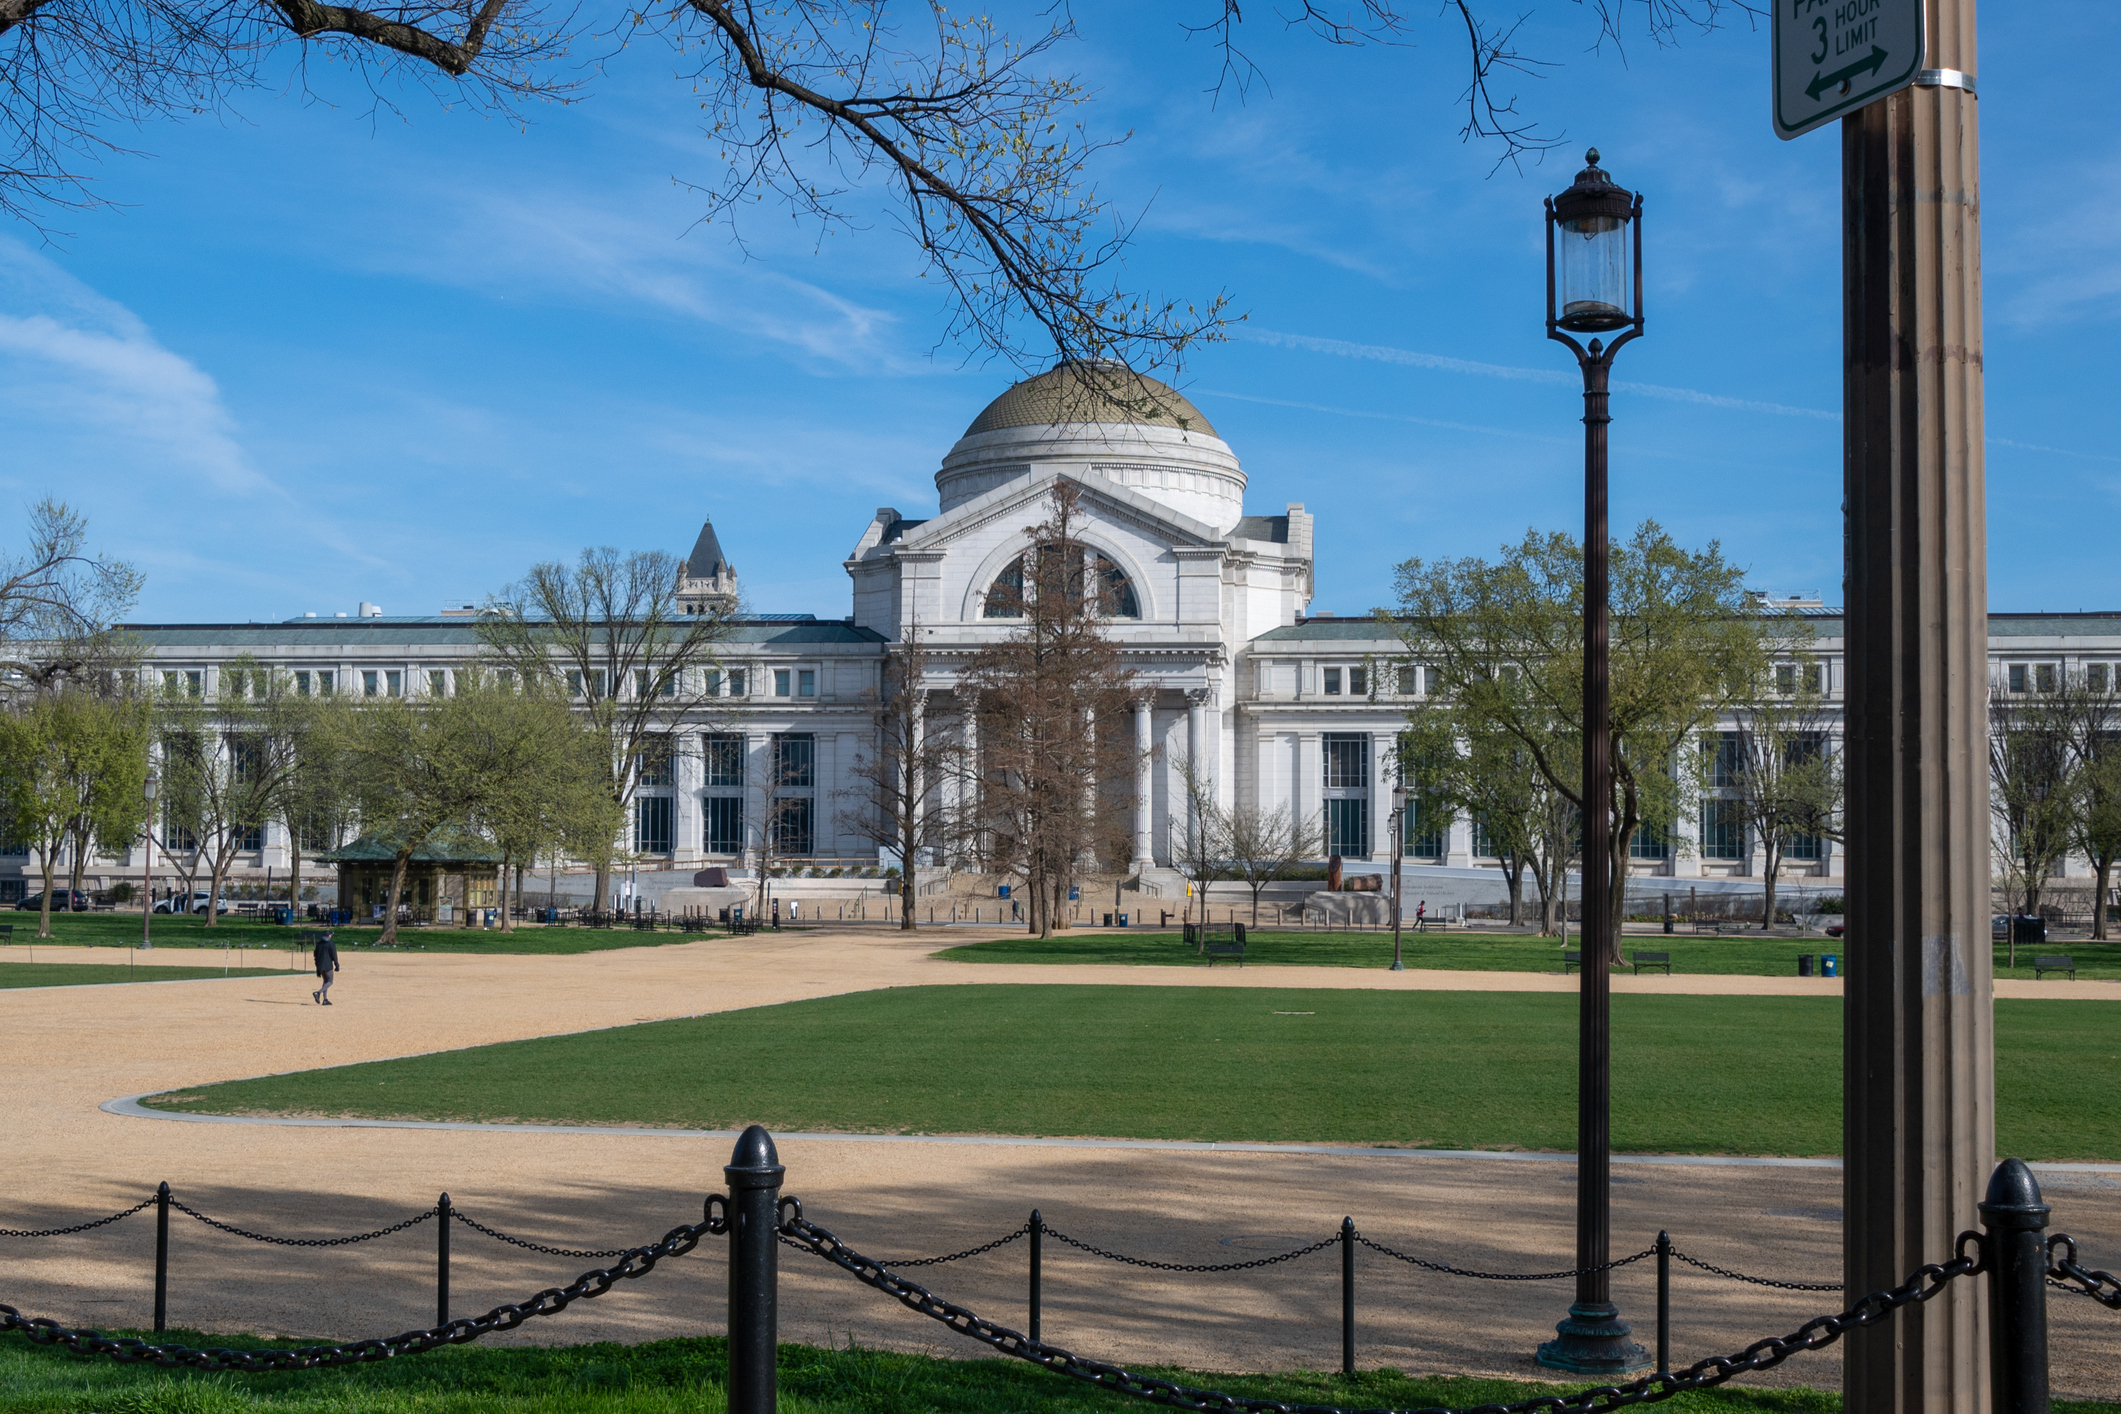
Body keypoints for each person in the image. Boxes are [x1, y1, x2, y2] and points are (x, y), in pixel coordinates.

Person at [312, 931, 339, 1005]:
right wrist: (337, 965)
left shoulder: (319, 944)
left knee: (325, 982)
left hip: (320, 965)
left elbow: (315, 956)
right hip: (327, 966)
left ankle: (325, 999)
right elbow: (334, 956)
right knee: (330, 982)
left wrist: (317, 969)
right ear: (329, 936)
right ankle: (318, 993)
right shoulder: (331, 944)